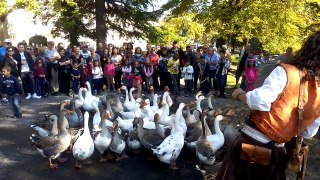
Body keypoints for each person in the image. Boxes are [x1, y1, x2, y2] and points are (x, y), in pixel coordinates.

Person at [216, 31, 320, 180]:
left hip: (251, 145)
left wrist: (240, 94)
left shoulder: (287, 72)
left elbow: (260, 101)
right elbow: (308, 132)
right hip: (276, 153)